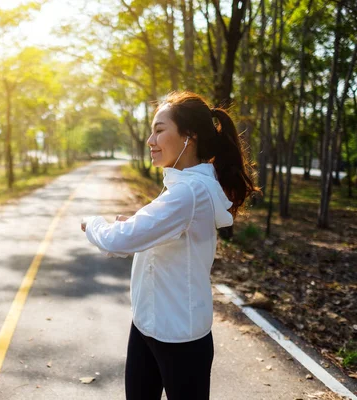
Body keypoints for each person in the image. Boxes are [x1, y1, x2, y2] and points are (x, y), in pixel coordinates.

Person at [81, 91, 261, 400]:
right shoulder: (181, 187)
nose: (150, 140)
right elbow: (162, 231)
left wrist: (93, 222)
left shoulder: (188, 192)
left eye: (160, 130)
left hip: (180, 338)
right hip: (147, 324)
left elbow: (117, 242)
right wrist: (136, 224)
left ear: (189, 136)